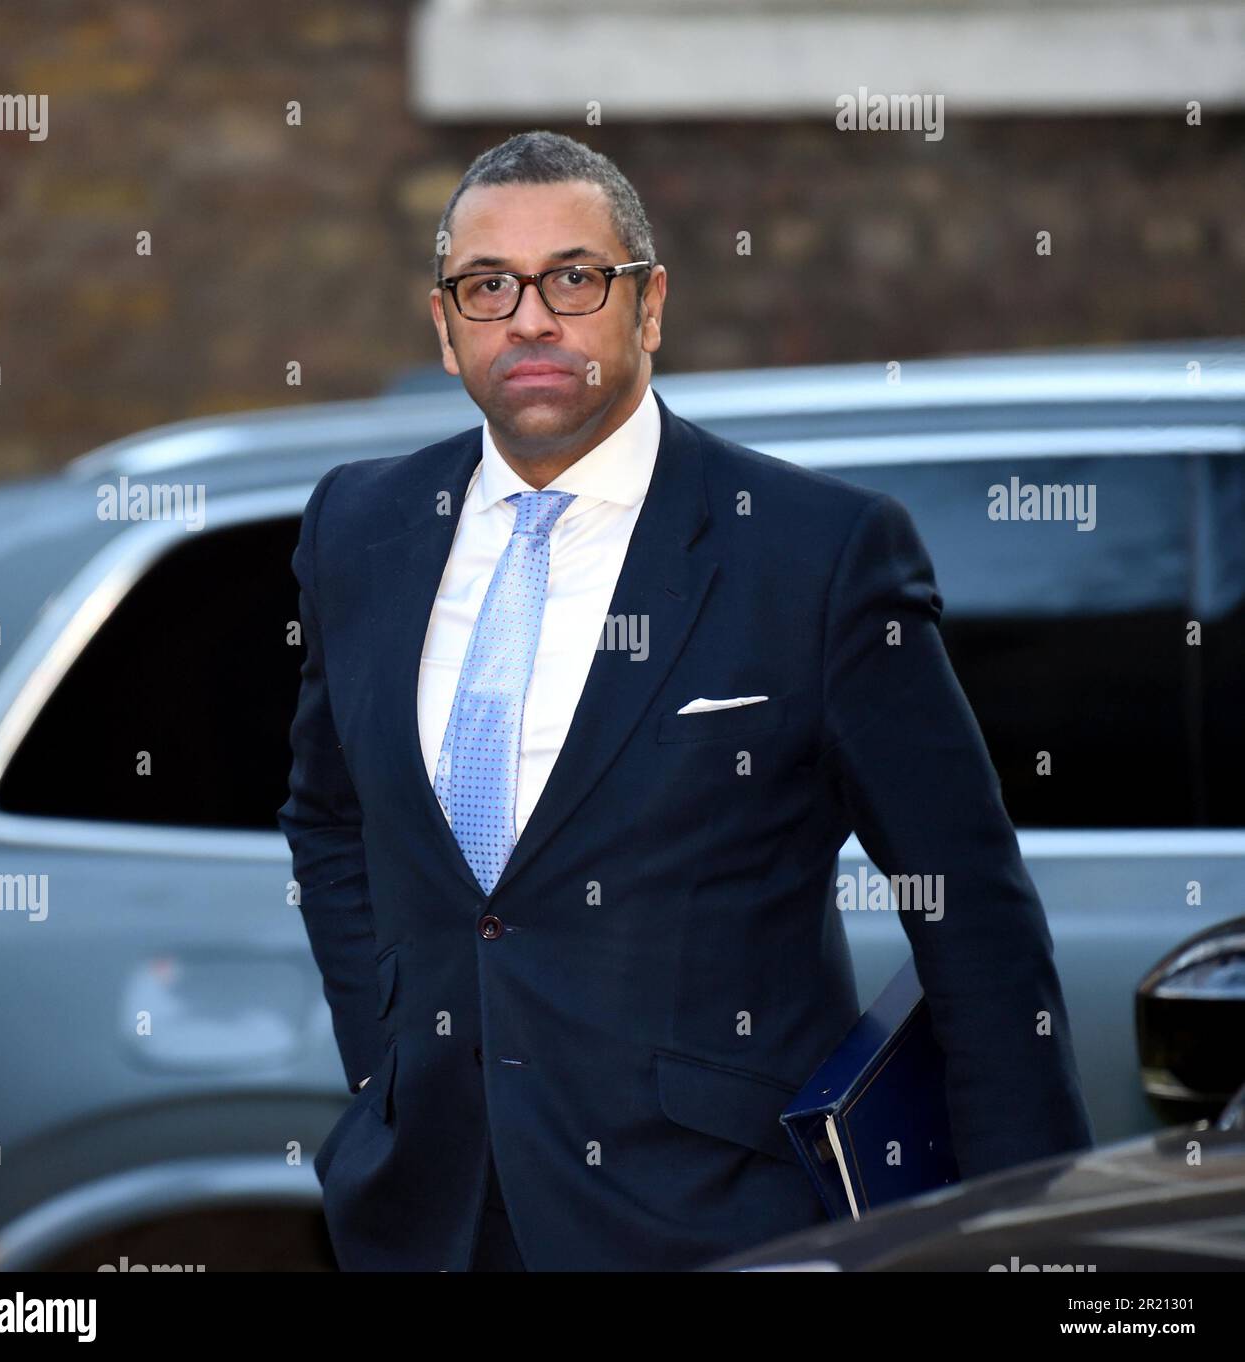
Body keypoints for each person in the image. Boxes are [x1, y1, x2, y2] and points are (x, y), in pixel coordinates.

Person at [277, 130, 1094, 1273]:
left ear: (648, 305)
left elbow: (972, 917)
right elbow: (329, 821)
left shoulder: (817, 554)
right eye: (487, 286)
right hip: (431, 1218)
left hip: (714, 1220)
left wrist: (1030, 1241)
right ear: (445, 325)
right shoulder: (357, 526)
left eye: (573, 278)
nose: (529, 318)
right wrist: (388, 1071)